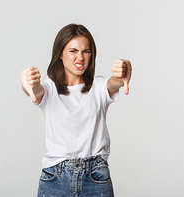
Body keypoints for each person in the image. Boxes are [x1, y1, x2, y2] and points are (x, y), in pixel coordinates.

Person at [20, 23, 132, 197]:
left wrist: (123, 73)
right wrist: (26, 82)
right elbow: (34, 89)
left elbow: (114, 82)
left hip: (95, 177)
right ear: (60, 54)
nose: (80, 57)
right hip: (55, 178)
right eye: (73, 51)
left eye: (86, 51)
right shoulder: (49, 90)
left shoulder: (99, 87)